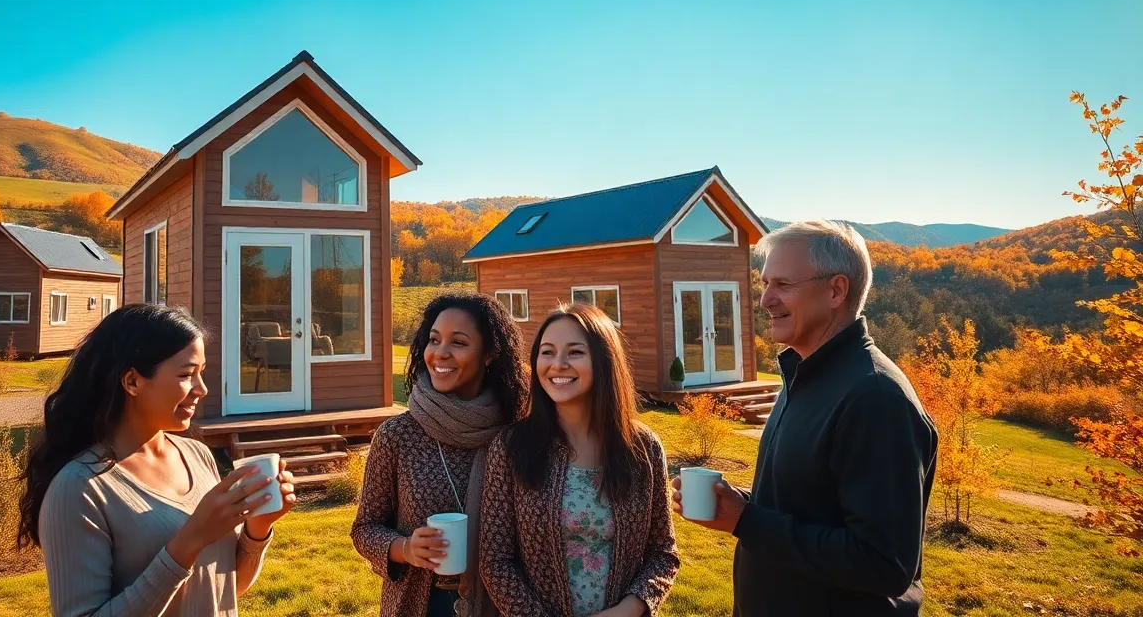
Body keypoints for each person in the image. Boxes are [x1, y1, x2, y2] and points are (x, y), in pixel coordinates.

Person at [671, 220, 938, 616]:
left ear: (836, 290)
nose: (765, 300)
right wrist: (737, 506)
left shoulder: (874, 398)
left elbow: (885, 563)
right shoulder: (804, 375)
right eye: (764, 284)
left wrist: (748, 521)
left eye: (783, 284)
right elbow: (810, 508)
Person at [18, 303, 297, 616]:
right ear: (133, 381)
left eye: (201, 373)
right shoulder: (79, 489)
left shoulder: (197, 456)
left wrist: (256, 529)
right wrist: (188, 543)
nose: (201, 389)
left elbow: (222, 591)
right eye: (186, 374)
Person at [479, 303, 679, 617]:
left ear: (604, 361)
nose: (557, 364)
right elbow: (495, 560)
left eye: (574, 352)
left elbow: (662, 554)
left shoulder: (642, 448)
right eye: (547, 352)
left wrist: (628, 609)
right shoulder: (512, 447)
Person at [351, 292, 531, 617]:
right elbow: (365, 528)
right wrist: (406, 549)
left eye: (458, 343)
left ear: (489, 354)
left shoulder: (516, 436)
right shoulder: (398, 436)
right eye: (434, 340)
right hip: (420, 604)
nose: (440, 353)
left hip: (503, 606)